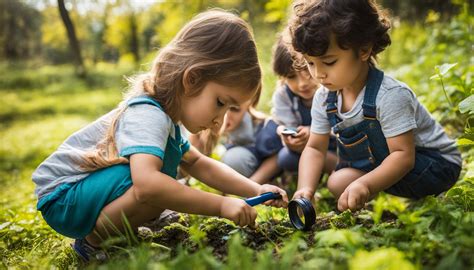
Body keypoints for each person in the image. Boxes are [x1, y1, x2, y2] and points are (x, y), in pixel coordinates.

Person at [32, 10, 288, 262]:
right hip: (64, 197)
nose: (219, 121)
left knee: (165, 173)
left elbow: (199, 163)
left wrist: (255, 188)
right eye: (221, 102)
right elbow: (148, 186)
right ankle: (93, 242)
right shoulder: (148, 114)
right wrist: (221, 207)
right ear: (192, 79)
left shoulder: (167, 117)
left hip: (80, 192)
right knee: (157, 181)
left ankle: (121, 227)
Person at [289, 0, 461, 212]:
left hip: (434, 165)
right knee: (337, 183)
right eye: (310, 63)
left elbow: (403, 156)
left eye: (330, 62)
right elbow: (315, 147)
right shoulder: (325, 98)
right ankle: (397, 196)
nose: (318, 74)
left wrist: (365, 184)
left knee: (360, 183)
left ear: (363, 50)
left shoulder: (389, 95)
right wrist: (305, 189)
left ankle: (423, 199)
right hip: (388, 164)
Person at [270, 36, 337, 179]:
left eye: (306, 71)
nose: (302, 84)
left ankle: (342, 169)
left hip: (335, 145)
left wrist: (315, 133)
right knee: (286, 158)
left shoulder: (332, 90)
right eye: (291, 77)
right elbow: (286, 126)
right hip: (306, 148)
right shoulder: (283, 95)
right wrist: (288, 135)